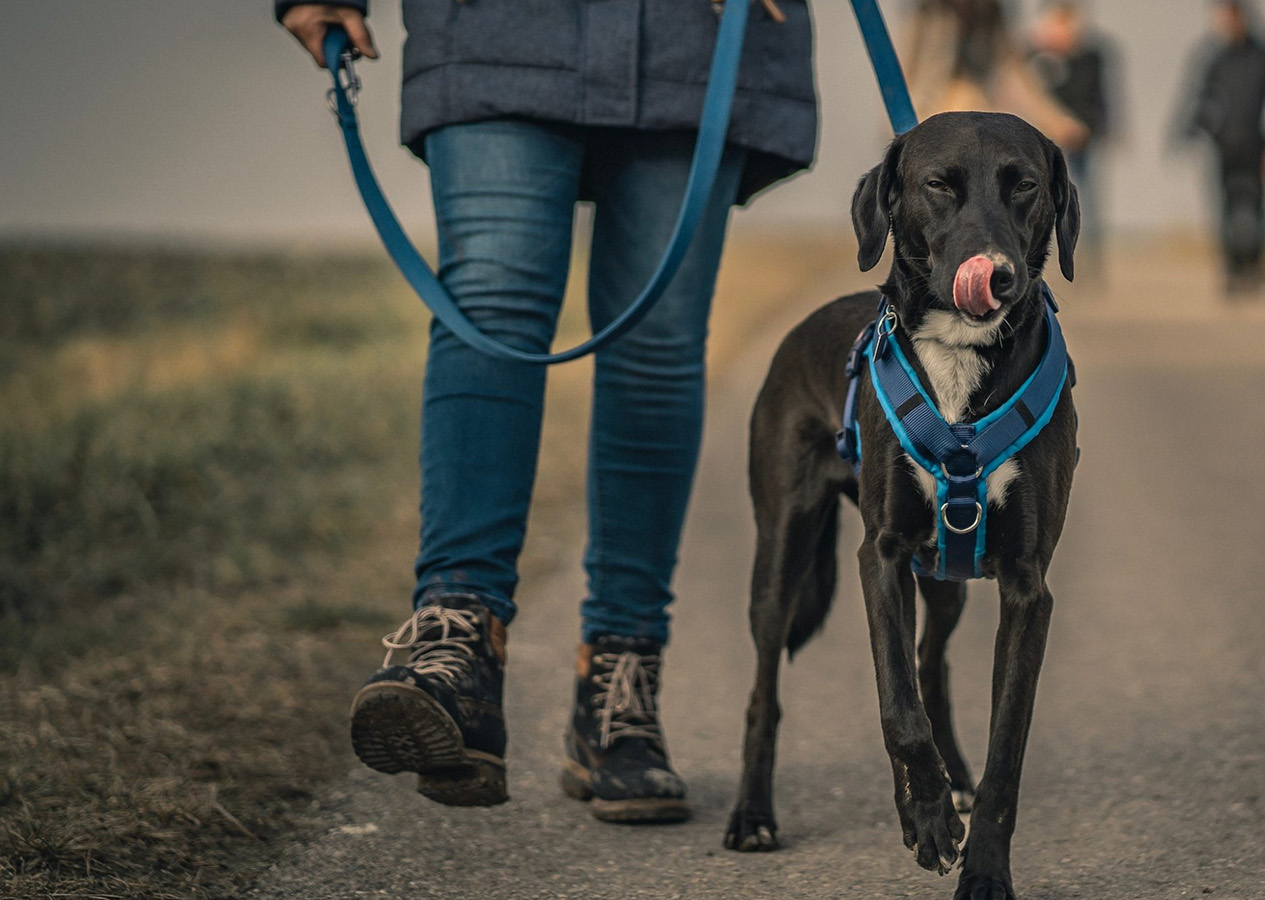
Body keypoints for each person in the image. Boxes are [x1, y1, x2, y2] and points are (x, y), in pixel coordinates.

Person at [275, 1, 815, 822]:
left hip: (692, 34)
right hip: (497, 25)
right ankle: (458, 646)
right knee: (488, 303)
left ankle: (620, 684)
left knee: (658, 341)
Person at [1172, 0, 1265, 294]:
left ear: (1239, 17)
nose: (1220, 24)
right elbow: (1200, 96)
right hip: (1223, 146)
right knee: (1225, 209)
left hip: (1257, 147)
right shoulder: (1213, 56)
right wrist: (1189, 131)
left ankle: (1257, 267)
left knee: (1258, 209)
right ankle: (1232, 269)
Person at [902, 0, 1088, 152]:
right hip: (930, 115)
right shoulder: (929, 13)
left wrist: (1056, 121)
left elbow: (1014, 70)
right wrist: (906, 124)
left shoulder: (990, 13)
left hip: (976, 114)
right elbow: (906, 71)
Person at [1028, 0, 1116, 259]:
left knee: (1083, 198)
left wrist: (1096, 129)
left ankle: (1087, 259)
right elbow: (1027, 96)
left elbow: (1099, 98)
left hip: (1080, 141)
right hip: (1041, 140)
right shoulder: (1033, 56)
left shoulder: (1090, 57)